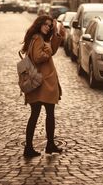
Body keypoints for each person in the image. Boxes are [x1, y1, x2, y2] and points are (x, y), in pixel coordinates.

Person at [21, 15, 65, 158]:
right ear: (39, 24)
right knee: (41, 115)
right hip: (42, 83)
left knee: (45, 114)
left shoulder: (40, 37)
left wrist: (57, 35)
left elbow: (51, 49)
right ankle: (35, 146)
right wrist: (49, 51)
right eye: (45, 25)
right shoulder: (38, 38)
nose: (47, 27)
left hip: (43, 83)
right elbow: (38, 57)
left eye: (49, 26)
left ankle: (47, 144)